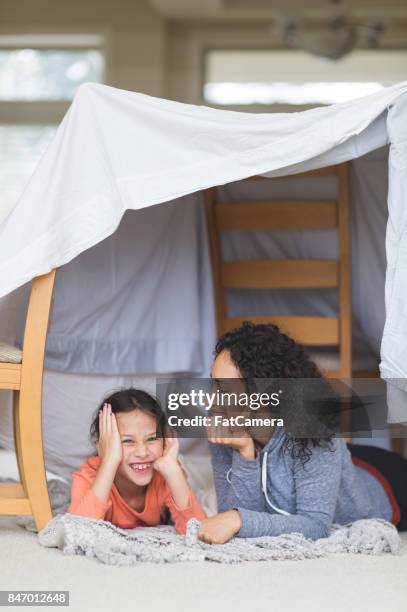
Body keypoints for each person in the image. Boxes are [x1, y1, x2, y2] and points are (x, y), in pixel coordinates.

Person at [198, 322, 407, 544]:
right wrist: (245, 455)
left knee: (325, 453)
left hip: (388, 484)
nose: (211, 398)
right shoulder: (221, 425)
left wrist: (238, 520)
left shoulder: (315, 430)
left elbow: (315, 526)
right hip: (332, 461)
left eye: (223, 387)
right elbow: (231, 518)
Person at [68, 388, 206, 533]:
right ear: (103, 446)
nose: (142, 452)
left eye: (152, 438)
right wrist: (109, 461)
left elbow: (198, 531)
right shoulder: (89, 476)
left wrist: (172, 471)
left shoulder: (165, 473)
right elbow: (77, 533)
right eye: (128, 441)